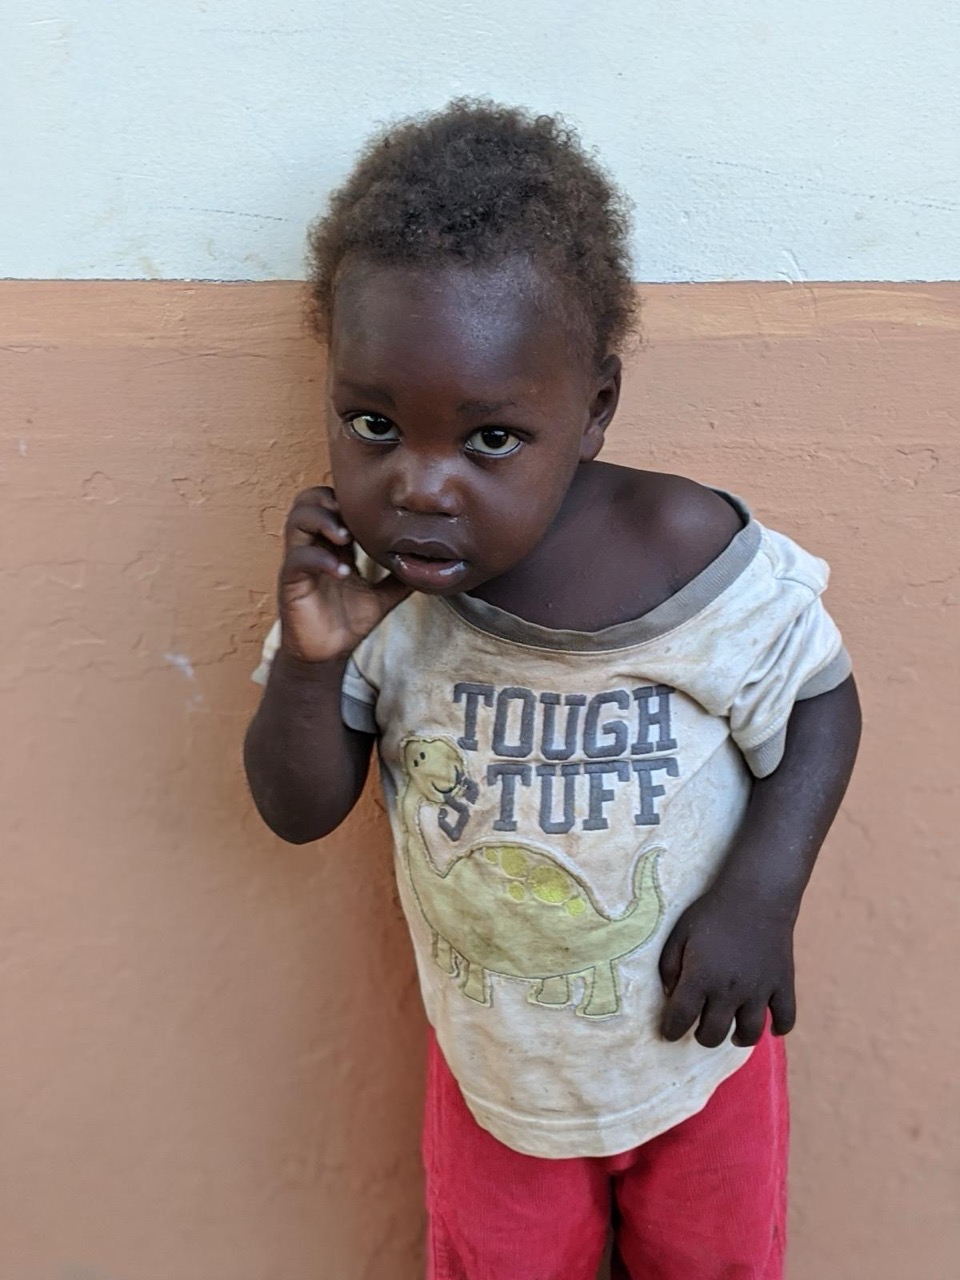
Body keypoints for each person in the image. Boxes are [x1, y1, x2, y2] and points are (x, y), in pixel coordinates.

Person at [244, 100, 861, 1280]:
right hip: (499, 1073)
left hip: (699, 1049)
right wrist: (314, 663)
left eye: (489, 438)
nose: (421, 486)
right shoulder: (363, 590)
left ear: (595, 409)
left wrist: (762, 895)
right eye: (373, 424)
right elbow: (296, 807)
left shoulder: (683, 551)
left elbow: (819, 702)